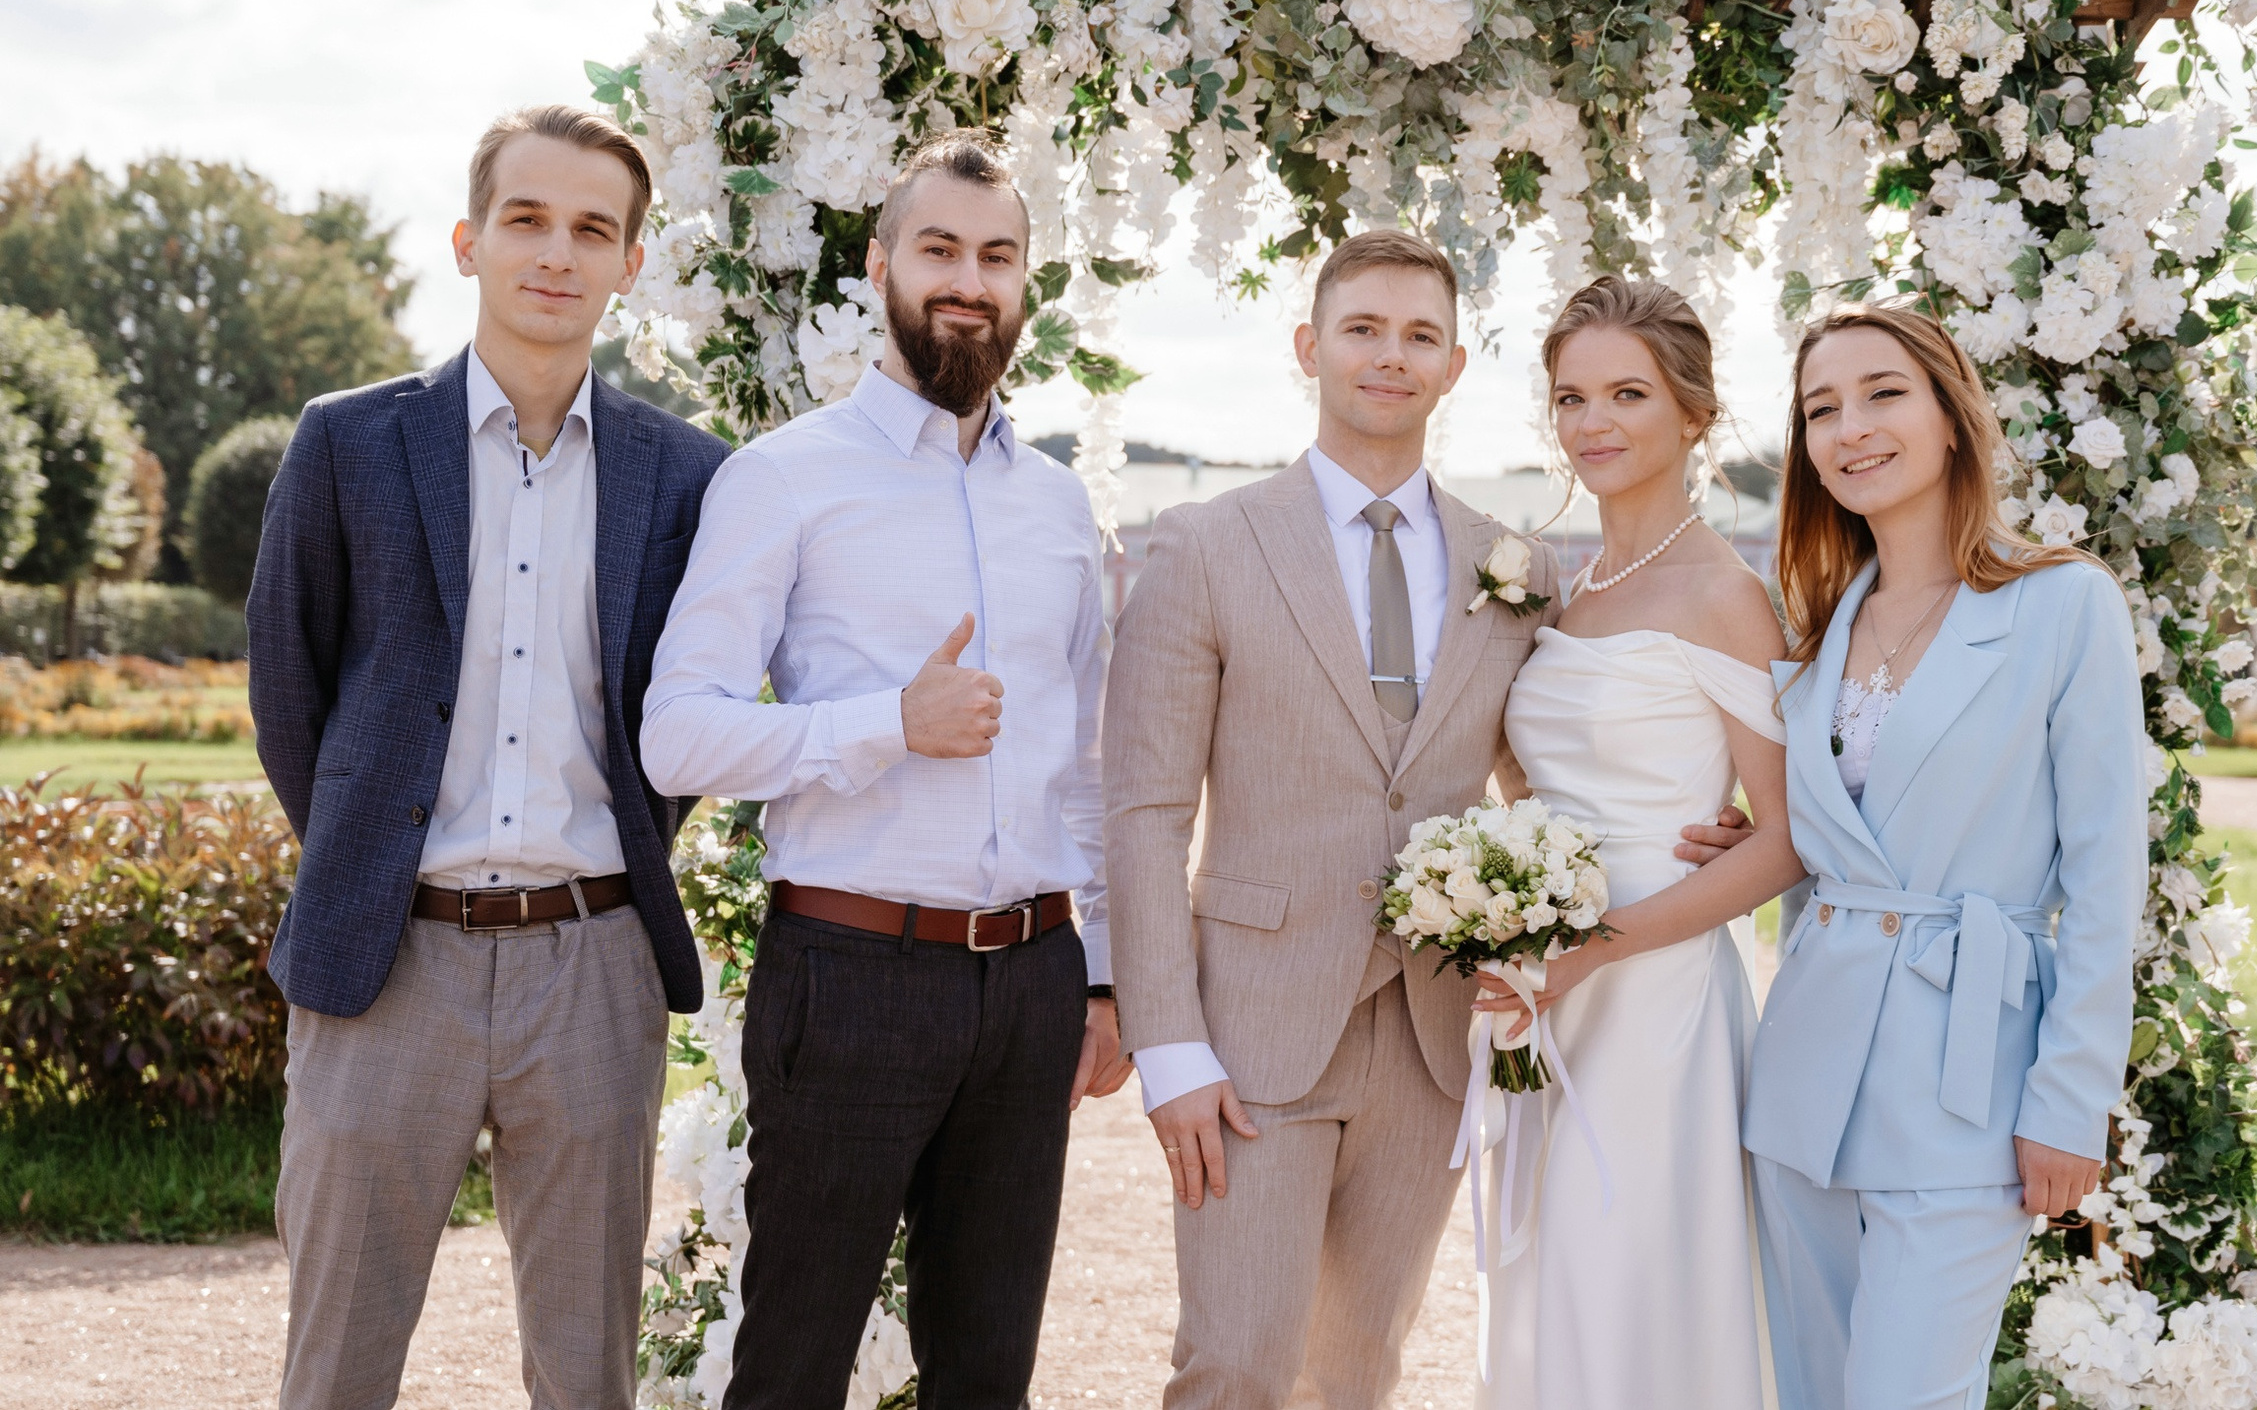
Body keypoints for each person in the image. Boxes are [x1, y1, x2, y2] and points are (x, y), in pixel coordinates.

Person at [248, 104, 733, 1410]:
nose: (556, 253)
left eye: (592, 229)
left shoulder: (688, 476)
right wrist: (370, 856)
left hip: (595, 965)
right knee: (336, 1366)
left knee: (587, 1373)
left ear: (630, 262)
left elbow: (682, 716)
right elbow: (288, 688)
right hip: (385, 961)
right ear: (470, 241)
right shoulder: (347, 442)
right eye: (527, 219)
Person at [640, 130, 1130, 1410]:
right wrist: (885, 725)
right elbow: (676, 733)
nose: (968, 280)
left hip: (1031, 983)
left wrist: (1101, 974)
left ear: (1023, 281)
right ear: (878, 266)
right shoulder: (782, 479)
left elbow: (1087, 764)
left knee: (988, 1378)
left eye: (996, 256)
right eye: (939, 249)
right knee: (792, 1371)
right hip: (851, 975)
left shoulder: (1059, 507)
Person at [1102, 230, 1567, 1410]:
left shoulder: (1513, 567)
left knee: (1355, 1374)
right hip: (1251, 1030)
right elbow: (1146, 811)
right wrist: (1169, 1045)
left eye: (1419, 335)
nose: (1390, 355)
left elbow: (1541, 783)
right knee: (1235, 1364)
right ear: (1310, 346)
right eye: (1363, 328)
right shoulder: (1206, 544)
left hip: (1428, 1034)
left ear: (1454, 366)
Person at [1735, 303, 2147, 1410]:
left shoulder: (2064, 604)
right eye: (1822, 409)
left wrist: (2070, 1101)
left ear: (1952, 416)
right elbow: (1831, 840)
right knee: (1812, 1392)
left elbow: (2107, 878)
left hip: (1969, 1081)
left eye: (1883, 394)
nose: (1851, 428)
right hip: (1806, 1077)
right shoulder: (1820, 621)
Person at [1469, 276, 1804, 1408]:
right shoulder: (1564, 588)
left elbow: (1784, 838)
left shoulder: (1722, 593)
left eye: (1627, 393)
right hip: (1547, 975)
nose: (1592, 422)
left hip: (1653, 993)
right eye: (1571, 397)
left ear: (1693, 413)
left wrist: (1591, 947)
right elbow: (1535, 777)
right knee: (1552, 1284)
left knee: (1630, 1274)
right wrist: (1503, 902)